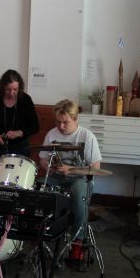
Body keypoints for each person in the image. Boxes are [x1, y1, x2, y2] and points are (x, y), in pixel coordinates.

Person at [38, 99, 102, 261]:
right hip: (56, 177)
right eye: (58, 122)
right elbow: (42, 160)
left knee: (79, 197)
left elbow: (95, 168)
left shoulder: (87, 136)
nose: (61, 126)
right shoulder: (52, 134)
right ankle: (41, 235)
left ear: (75, 118)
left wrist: (71, 169)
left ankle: (77, 243)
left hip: (80, 178)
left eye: (65, 122)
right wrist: (48, 166)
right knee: (37, 190)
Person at [0, 69, 39, 165]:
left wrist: (19, 133)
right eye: (8, 89)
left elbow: (35, 126)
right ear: (2, 87)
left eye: (15, 89)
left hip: (20, 148)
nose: (11, 93)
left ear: (19, 88)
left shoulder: (25, 100)